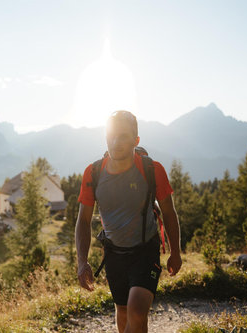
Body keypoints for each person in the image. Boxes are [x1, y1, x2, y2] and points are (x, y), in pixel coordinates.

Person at [75, 110, 182, 333]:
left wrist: (175, 252)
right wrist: (82, 261)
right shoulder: (93, 173)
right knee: (123, 313)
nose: (116, 142)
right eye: (111, 136)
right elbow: (84, 221)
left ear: (136, 140)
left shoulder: (153, 170)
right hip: (114, 255)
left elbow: (169, 213)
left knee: (136, 310)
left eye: (123, 136)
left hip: (145, 252)